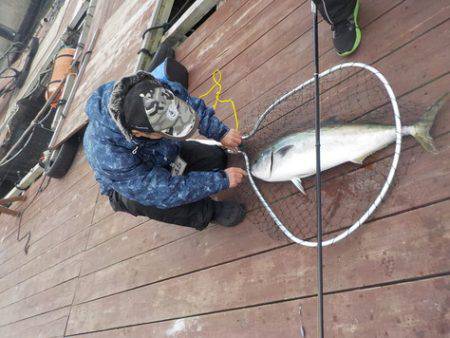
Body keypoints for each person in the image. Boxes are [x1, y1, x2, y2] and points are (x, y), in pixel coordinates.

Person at [83, 71, 247, 230]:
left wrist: (220, 132)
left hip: (161, 152)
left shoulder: (152, 89)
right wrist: (219, 181)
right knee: (155, 201)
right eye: (167, 129)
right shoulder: (107, 153)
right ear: (138, 133)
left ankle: (186, 173)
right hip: (130, 185)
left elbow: (188, 104)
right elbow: (160, 191)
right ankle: (209, 212)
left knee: (216, 158)